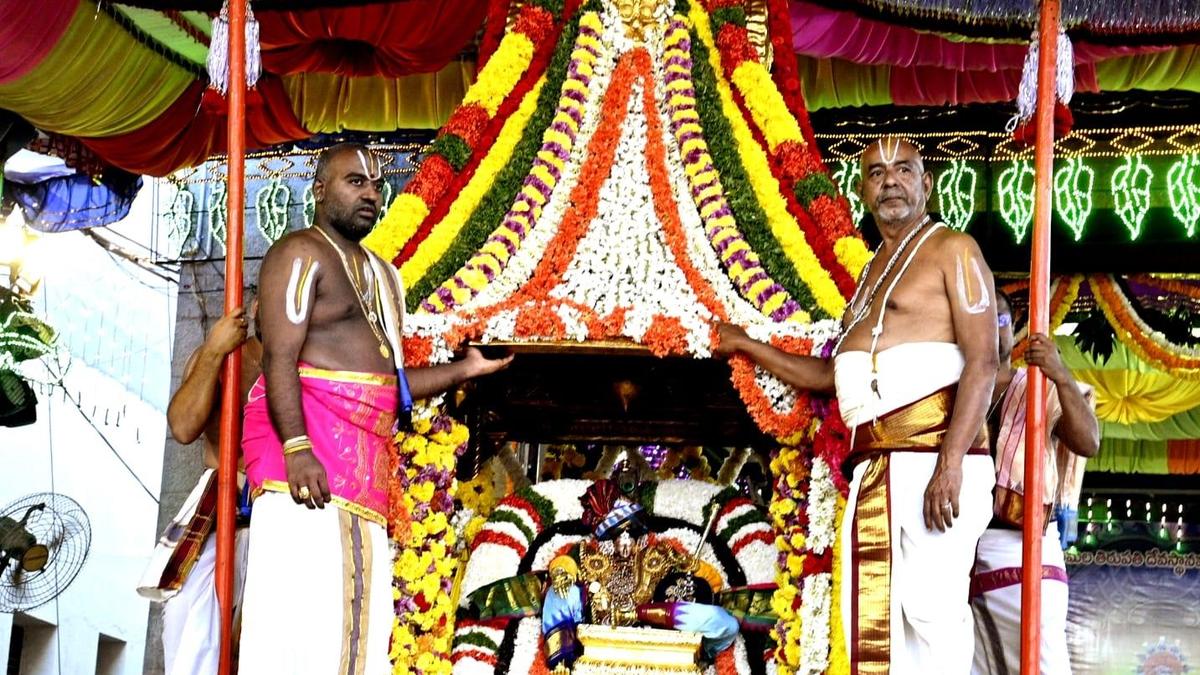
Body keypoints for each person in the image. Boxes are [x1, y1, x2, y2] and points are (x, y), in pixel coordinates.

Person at [715, 137, 999, 673]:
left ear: (926, 183)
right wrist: (748, 346)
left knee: (933, 615)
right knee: (873, 624)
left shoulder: (953, 248)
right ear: (862, 191)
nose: (890, 180)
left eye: (904, 169)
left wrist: (951, 463)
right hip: (874, 466)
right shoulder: (870, 274)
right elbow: (829, 376)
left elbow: (984, 361)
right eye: (876, 172)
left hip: (933, 457)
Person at [238, 142, 512, 674]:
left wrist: (466, 370)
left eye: (377, 184)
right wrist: (297, 447)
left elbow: (390, 385)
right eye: (355, 181)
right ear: (319, 190)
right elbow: (279, 357)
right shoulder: (300, 253)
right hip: (306, 469)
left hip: (364, 478)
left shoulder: (385, 276)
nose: (371, 193)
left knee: (361, 635)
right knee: (300, 632)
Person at [971, 290, 1099, 675]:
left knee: (1044, 662)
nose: (992, 327)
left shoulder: (1038, 385)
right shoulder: (953, 390)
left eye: (1000, 318)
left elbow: (1088, 442)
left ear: (1014, 325)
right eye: (981, 317)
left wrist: (1060, 375)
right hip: (965, 553)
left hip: (1026, 548)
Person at [138, 303, 262, 675]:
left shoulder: (309, 360)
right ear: (256, 307)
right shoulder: (223, 355)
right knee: (185, 615)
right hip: (223, 506)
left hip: (281, 509)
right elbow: (182, 426)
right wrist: (214, 350)